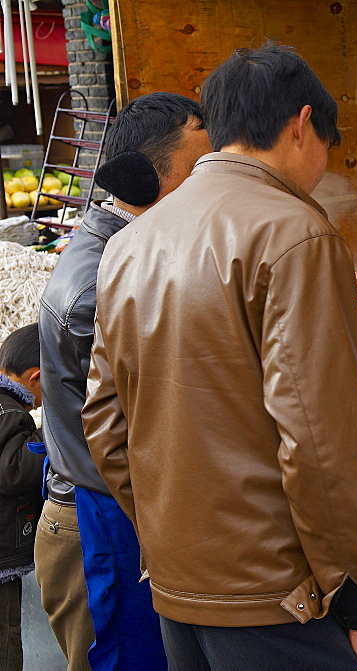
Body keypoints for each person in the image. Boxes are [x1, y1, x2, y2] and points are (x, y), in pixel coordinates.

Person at [82, 42, 357, 670]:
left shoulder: (133, 241)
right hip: (286, 606)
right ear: (302, 124)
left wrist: (179, 545)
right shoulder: (294, 232)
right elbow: (322, 443)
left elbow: (105, 426)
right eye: (329, 141)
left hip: (180, 597)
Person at [37, 91, 211, 670]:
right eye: (196, 173)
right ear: (141, 180)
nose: (209, 190)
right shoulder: (97, 286)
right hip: (103, 518)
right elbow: (147, 421)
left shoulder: (136, 249)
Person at [0, 323, 45, 670]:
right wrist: (49, 435)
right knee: (6, 633)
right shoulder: (12, 415)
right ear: (35, 378)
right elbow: (14, 472)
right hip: (2, 554)